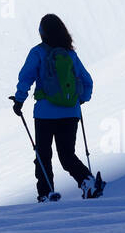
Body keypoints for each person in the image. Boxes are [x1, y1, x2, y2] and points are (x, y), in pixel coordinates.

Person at [11, 13, 105, 201]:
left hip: (45, 113)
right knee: (67, 155)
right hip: (70, 112)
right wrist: (81, 99)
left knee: (43, 155)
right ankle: (88, 183)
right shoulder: (70, 54)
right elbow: (87, 81)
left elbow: (26, 77)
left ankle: (46, 194)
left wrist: (19, 100)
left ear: (42, 33)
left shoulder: (37, 52)